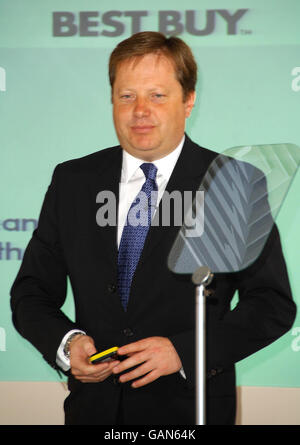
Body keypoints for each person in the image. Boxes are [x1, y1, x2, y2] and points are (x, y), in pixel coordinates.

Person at [10, 31, 296, 425]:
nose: (140, 110)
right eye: (127, 96)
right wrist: (66, 344)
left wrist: (185, 351)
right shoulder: (72, 181)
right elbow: (31, 291)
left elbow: (271, 304)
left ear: (189, 100)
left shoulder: (233, 185)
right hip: (93, 412)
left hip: (189, 412)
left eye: (157, 95)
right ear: (112, 100)